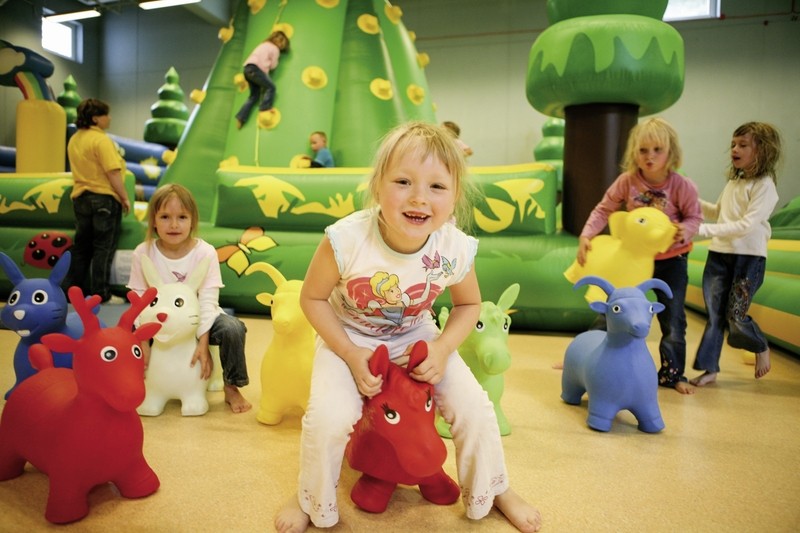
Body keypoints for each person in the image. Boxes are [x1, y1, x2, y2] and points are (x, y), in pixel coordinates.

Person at [274, 122, 541, 533]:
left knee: (475, 408)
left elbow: (468, 305)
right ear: (378, 185)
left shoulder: (453, 246)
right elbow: (311, 298)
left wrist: (443, 349)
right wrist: (347, 351)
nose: (419, 197)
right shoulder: (347, 239)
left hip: (416, 335)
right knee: (327, 417)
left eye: (437, 187)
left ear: (455, 197)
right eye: (403, 181)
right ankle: (310, 495)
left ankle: (495, 488)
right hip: (348, 336)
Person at [576, 117, 702, 395]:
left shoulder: (682, 186)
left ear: (671, 152)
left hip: (671, 260)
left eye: (657, 150)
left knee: (673, 317)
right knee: (612, 307)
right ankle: (585, 354)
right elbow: (603, 208)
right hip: (633, 261)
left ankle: (672, 374)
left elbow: (695, 217)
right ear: (634, 152)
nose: (650, 156)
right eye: (643, 150)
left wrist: (686, 230)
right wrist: (587, 235)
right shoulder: (628, 181)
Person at [127, 184, 251, 413]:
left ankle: (231, 387)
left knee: (233, 329)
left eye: (182, 217)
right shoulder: (142, 252)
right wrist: (143, 341)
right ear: (153, 220)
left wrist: (203, 342)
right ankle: (146, 385)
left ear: (193, 221)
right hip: (157, 321)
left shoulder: (205, 252)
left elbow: (207, 301)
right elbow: (139, 300)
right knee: (120, 334)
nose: (174, 225)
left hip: (198, 319)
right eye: (165, 217)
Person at [690, 122, 782, 386]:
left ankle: (760, 346)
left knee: (736, 315)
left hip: (748, 258)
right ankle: (709, 369)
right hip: (719, 254)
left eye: (743, 145)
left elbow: (746, 226)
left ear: (762, 151)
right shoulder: (734, 181)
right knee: (715, 315)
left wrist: (702, 229)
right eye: (733, 144)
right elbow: (719, 212)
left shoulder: (765, 186)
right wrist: (690, 200)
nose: (734, 149)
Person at [62, 98, 130, 304]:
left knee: (82, 247)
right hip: (103, 199)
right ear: (95, 118)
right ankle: (101, 293)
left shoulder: (74, 139)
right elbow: (113, 172)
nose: (109, 118)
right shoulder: (101, 140)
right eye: (105, 114)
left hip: (81, 197)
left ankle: (70, 290)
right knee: (103, 247)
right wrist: (124, 197)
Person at [235, 30, 290, 129]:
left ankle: (241, 117)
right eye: (281, 42)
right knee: (271, 87)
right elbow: (273, 65)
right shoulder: (275, 49)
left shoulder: (264, 44)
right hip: (256, 69)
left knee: (253, 96)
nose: (281, 44)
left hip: (247, 69)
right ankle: (265, 108)